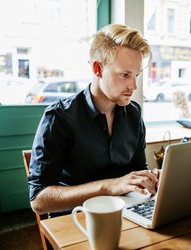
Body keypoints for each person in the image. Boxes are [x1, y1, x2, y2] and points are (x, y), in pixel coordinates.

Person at [28, 23, 159, 215]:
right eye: (124, 75)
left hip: (127, 215)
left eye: (136, 75)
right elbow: (39, 201)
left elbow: (138, 173)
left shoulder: (134, 114)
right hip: (76, 220)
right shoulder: (59, 118)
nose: (133, 86)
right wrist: (108, 186)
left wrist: (151, 179)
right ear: (97, 69)